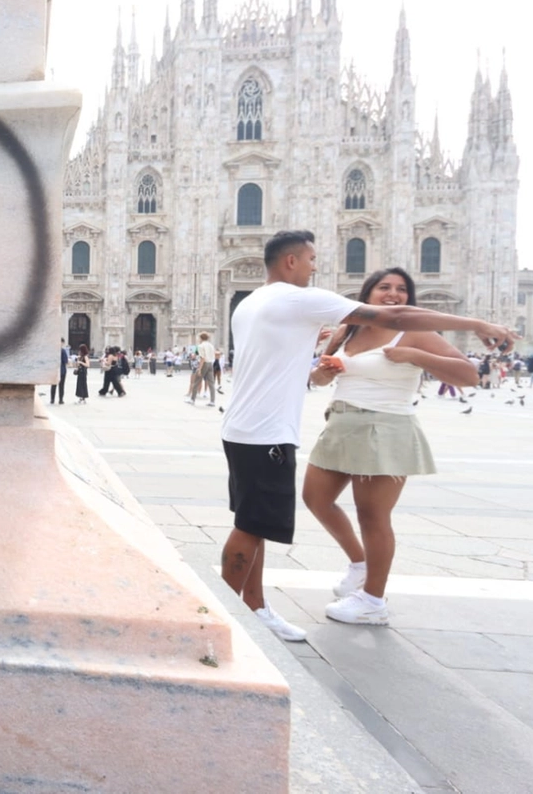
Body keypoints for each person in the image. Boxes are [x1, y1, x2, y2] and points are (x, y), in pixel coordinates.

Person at [219, 231, 515, 642]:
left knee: (254, 522)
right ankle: (222, 621)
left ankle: (254, 607)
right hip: (267, 431)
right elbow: (395, 319)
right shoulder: (298, 299)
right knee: (251, 527)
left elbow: (297, 363)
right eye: (311, 259)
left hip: (247, 427)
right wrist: (476, 322)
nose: (315, 266)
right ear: (291, 262)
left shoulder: (252, 301)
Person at [302, 268, 479, 626]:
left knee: (372, 516)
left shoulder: (414, 332)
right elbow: (318, 376)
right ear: (367, 294)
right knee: (315, 498)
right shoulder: (347, 329)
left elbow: (469, 375)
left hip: (387, 427)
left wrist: (417, 357)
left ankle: (372, 600)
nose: (393, 294)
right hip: (341, 422)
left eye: (401, 289)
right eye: (384, 288)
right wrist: (324, 373)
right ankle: (360, 563)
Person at [188, 332, 216, 406]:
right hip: (210, 363)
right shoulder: (211, 345)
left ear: (201, 338)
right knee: (211, 383)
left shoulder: (201, 346)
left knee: (196, 381)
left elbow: (202, 358)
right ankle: (212, 401)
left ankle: (192, 399)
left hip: (204, 364)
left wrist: (199, 369)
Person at [50, 338, 68, 404]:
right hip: (62, 371)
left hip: (54, 370)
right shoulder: (63, 351)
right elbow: (65, 361)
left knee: (53, 385)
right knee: (61, 386)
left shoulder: (53, 351)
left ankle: (52, 399)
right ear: (62, 343)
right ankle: (60, 400)